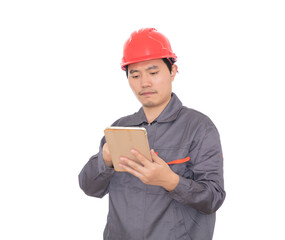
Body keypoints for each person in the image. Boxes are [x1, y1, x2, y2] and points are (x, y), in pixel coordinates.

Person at [78, 28, 226, 240]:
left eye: (153, 72)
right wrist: (106, 159)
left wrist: (171, 181)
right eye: (135, 75)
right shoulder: (120, 129)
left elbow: (213, 198)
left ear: (173, 71)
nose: (144, 82)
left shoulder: (199, 127)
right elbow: (89, 187)